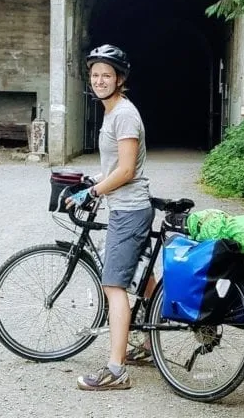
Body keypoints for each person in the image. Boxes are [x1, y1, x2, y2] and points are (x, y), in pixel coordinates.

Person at [66, 44, 152, 391]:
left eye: (107, 75)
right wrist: (96, 182)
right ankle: (147, 344)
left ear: (120, 79)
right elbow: (117, 166)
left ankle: (116, 370)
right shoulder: (113, 111)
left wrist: (94, 191)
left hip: (129, 209)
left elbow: (128, 169)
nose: (100, 80)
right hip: (128, 207)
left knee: (113, 285)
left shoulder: (124, 114)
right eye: (96, 74)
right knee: (139, 277)